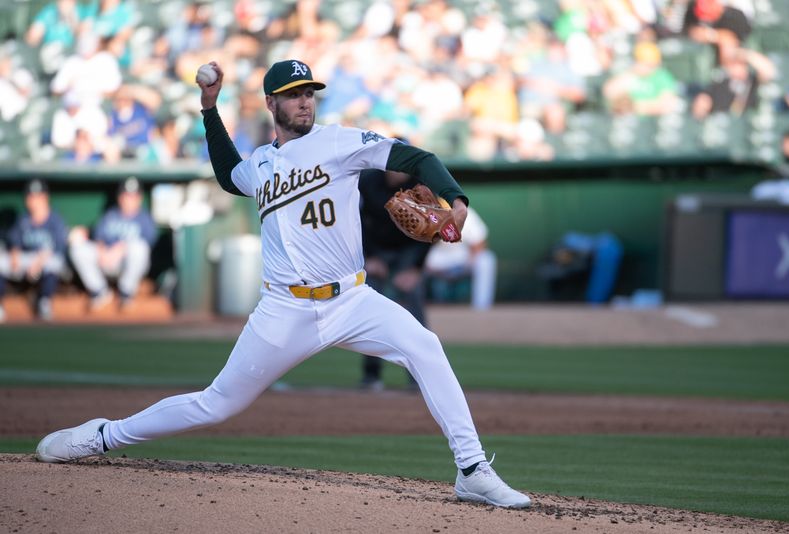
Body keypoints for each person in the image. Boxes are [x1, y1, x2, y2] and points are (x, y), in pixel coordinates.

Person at [35, 58, 531, 509]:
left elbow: (417, 159)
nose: (304, 101)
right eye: (294, 94)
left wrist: (456, 200)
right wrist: (210, 109)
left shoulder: (338, 141)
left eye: (309, 92)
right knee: (216, 404)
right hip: (283, 311)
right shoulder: (262, 164)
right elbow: (230, 175)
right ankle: (103, 436)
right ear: (272, 103)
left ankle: (472, 470)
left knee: (424, 346)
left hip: (352, 299)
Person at [358, 166, 431, 391]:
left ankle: (420, 377)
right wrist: (368, 256)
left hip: (408, 251)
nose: (400, 171)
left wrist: (415, 269)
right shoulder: (368, 181)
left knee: (413, 303)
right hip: (376, 248)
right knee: (370, 305)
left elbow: (432, 230)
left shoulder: (420, 185)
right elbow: (354, 221)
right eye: (395, 164)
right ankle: (371, 376)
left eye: (404, 166)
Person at [68, 176, 157, 310]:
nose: (129, 200)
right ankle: (99, 291)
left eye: (133, 196)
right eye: (126, 195)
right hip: (107, 260)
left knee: (139, 248)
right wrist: (102, 250)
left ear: (140, 198)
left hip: (128, 265)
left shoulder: (145, 219)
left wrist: (121, 249)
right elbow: (98, 236)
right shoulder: (110, 215)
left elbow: (149, 241)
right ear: (120, 197)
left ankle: (126, 293)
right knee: (78, 248)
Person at [0, 179, 69, 322]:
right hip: (26, 260)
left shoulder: (55, 219)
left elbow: (58, 247)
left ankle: (44, 302)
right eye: (30, 196)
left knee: (54, 262)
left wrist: (38, 263)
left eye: (38, 196)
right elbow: (15, 243)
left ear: (45, 197)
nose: (33, 200)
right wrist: (14, 254)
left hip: (44, 261)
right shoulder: (23, 219)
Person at [425, 206, 497, 310]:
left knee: (486, 259)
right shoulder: (425, 212)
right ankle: (413, 307)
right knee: (414, 261)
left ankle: (481, 307)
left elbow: (480, 242)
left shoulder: (465, 212)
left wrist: (471, 260)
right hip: (434, 259)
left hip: (461, 258)